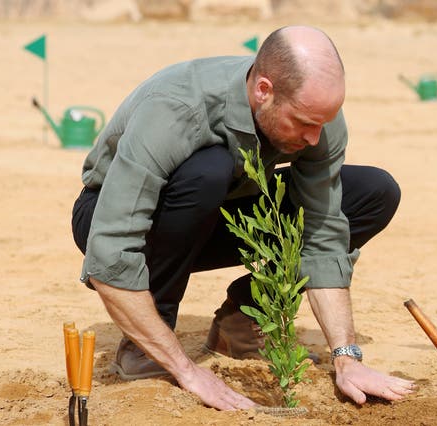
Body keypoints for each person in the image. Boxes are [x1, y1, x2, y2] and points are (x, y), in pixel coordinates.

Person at [71, 25, 415, 411]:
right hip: (116, 215)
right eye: (303, 123)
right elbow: (110, 250)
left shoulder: (315, 114)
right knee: (208, 171)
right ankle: (145, 343)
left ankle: (242, 320)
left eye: (323, 122)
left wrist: (347, 359)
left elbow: (322, 236)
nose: (315, 138)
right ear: (263, 90)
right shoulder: (175, 108)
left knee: (373, 192)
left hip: (218, 211)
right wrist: (187, 370)